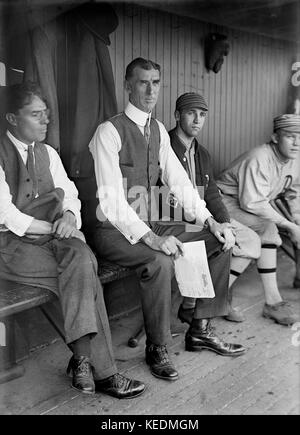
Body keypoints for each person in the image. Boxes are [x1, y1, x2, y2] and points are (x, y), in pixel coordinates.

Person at [89, 57, 246, 383]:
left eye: (155, 82)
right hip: (113, 228)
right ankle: (157, 348)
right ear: (128, 85)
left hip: (150, 221)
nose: (150, 90)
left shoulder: (159, 130)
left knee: (217, 240)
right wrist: (152, 238)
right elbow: (112, 201)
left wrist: (210, 221)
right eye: (142, 82)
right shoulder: (109, 131)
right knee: (159, 260)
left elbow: (180, 182)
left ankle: (200, 327)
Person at [0, 82, 145, 399]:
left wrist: (68, 217)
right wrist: (56, 228)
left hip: (54, 235)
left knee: (81, 261)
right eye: (36, 115)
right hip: (11, 245)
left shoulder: (48, 153)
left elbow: (71, 195)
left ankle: (83, 362)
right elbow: (7, 215)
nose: (45, 121)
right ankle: (101, 371)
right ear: (11, 119)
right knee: (84, 269)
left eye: (46, 114)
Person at [168, 92, 261, 323]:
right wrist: (211, 224)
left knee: (249, 240)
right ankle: (199, 305)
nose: (197, 120)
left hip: (204, 218)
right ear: (178, 115)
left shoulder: (203, 154)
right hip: (174, 222)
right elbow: (160, 198)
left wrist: (225, 223)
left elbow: (212, 195)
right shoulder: (165, 147)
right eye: (191, 113)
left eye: (202, 115)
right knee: (216, 240)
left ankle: (203, 301)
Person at [217, 114, 300, 326]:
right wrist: (288, 225)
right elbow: (252, 203)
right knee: (267, 229)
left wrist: (297, 223)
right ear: (274, 137)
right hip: (221, 203)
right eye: (290, 136)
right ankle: (212, 300)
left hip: (244, 205)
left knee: (269, 229)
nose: (296, 142)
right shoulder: (260, 157)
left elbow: (292, 194)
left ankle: (272, 302)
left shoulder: (294, 159)